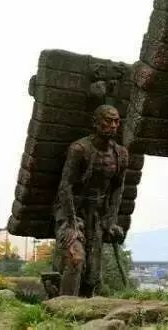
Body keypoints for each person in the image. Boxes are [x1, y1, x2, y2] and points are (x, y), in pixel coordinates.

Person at [53, 104, 128, 297]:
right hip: (72, 212)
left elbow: (117, 188)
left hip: (97, 215)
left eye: (116, 121)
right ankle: (64, 307)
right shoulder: (79, 149)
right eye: (108, 121)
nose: (113, 125)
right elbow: (65, 187)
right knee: (76, 258)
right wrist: (72, 224)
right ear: (95, 123)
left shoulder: (121, 154)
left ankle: (84, 308)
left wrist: (111, 220)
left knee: (92, 276)